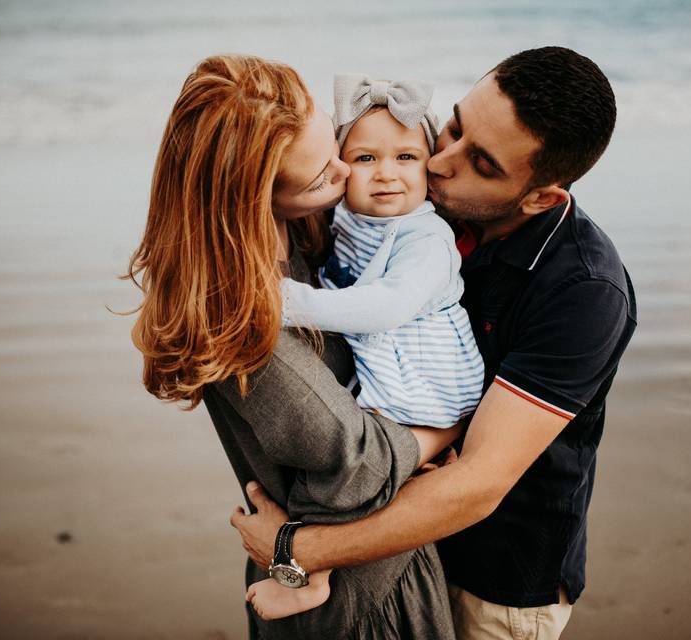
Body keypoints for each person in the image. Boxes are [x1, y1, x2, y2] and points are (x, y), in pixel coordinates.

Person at [232, 46, 638, 640]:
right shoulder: (423, 205)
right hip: (396, 541)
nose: (440, 162)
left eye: (482, 162)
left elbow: (477, 485)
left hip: (494, 581)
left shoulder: (584, 291)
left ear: (540, 197)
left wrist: (300, 549)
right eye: (453, 126)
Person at [127, 54, 458, 639]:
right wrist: (447, 431)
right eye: (320, 176)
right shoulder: (251, 327)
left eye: (333, 144)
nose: (346, 171)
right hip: (359, 603)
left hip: (353, 555)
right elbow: (358, 464)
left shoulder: (305, 235)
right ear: (253, 200)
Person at [247, 74, 484, 619]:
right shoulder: (349, 218)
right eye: (365, 157)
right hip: (386, 368)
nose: (386, 174)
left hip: (428, 381)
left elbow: (384, 308)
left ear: (431, 164)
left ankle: (311, 573)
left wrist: (284, 300)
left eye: (406, 157)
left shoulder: (427, 240)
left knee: (348, 467)